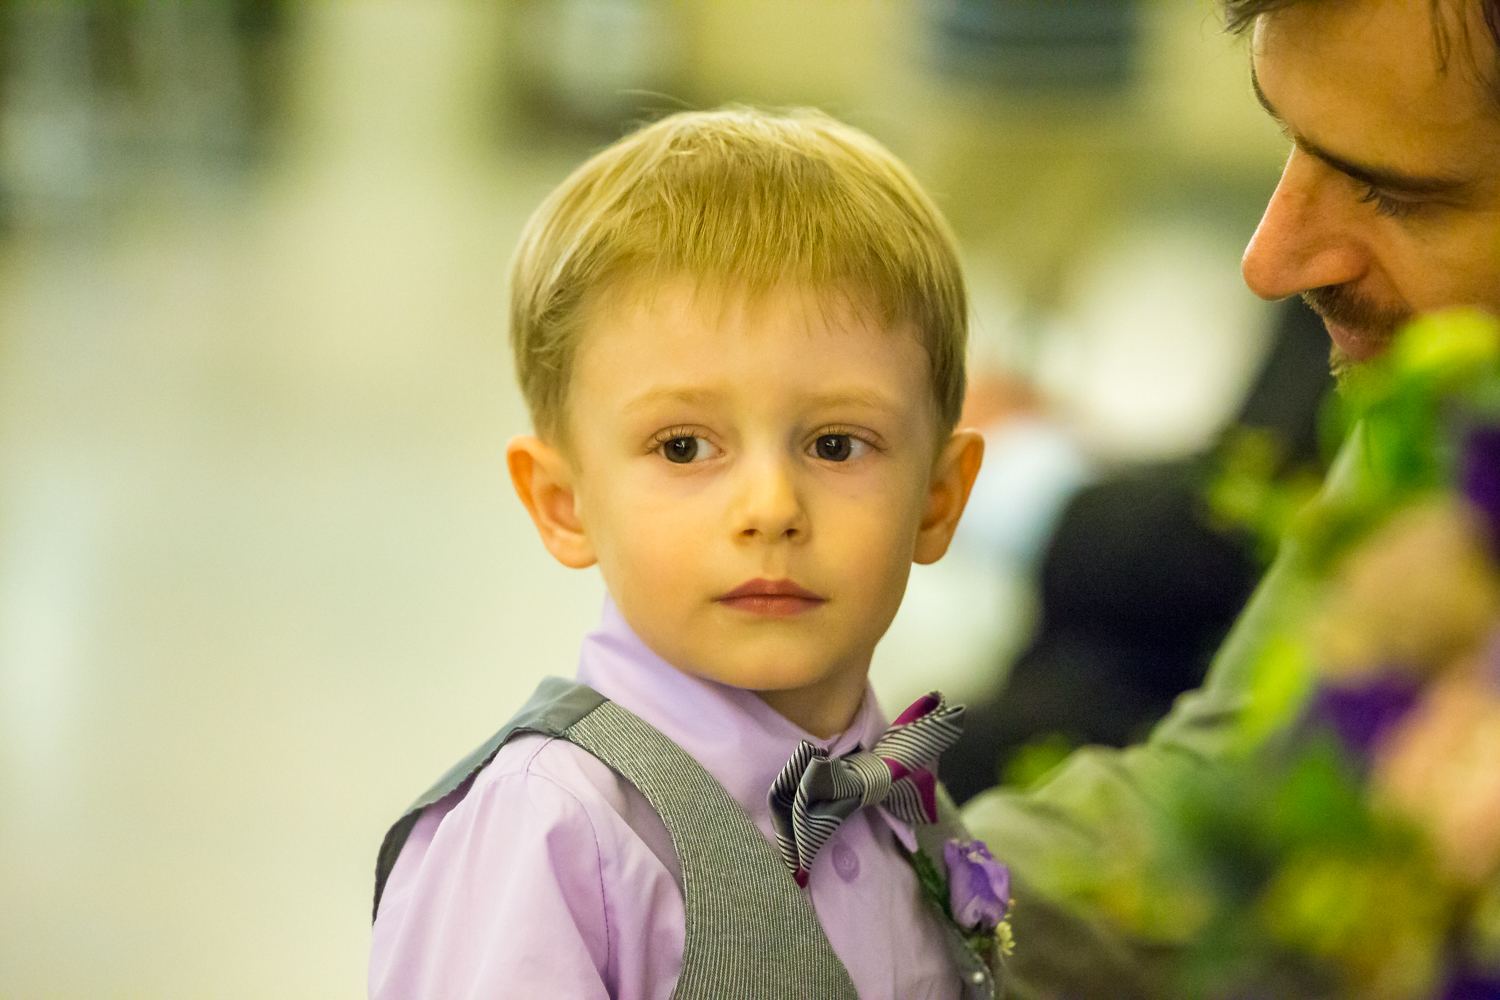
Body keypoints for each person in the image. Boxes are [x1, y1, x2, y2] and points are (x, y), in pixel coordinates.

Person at [368, 108, 1001, 999]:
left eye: (835, 445)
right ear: (564, 504)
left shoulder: (907, 811)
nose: (771, 510)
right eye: (683, 447)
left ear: (938, 499)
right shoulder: (556, 835)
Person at [959, 1, 1500, 995]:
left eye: (1391, 192)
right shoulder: (1442, 395)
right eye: (1290, 143)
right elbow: (1238, 778)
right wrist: (840, 906)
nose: (1269, 260)